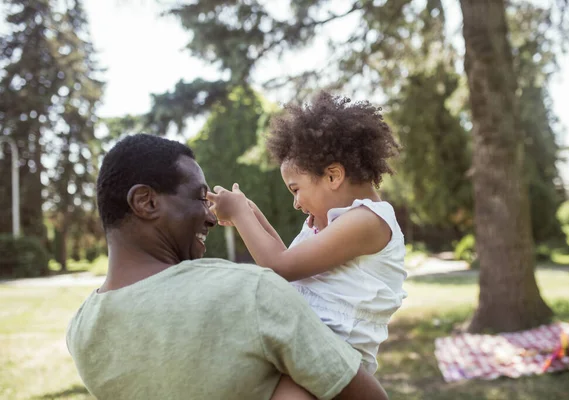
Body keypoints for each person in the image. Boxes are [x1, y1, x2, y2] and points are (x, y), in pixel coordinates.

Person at [66, 134, 388, 400]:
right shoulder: (251, 294)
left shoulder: (82, 332)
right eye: (198, 198)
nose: (210, 217)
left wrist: (246, 214)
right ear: (146, 202)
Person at [208, 92, 407, 397]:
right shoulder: (331, 222)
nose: (296, 203)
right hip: (309, 343)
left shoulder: (366, 221)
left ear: (333, 176)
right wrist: (248, 212)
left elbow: (279, 267)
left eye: (296, 189)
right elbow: (287, 260)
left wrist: (238, 213)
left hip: (338, 352)